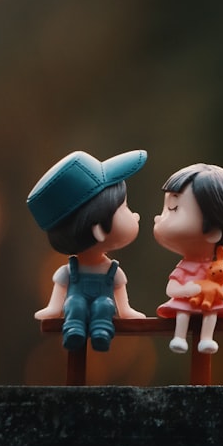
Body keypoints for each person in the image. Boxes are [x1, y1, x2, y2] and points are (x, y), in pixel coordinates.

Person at [27, 150, 147, 351]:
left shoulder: (113, 271)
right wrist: (54, 309)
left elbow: (121, 302)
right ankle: (74, 330)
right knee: (74, 304)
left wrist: (126, 312)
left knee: (105, 306)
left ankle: (102, 330)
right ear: (98, 229)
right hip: (75, 303)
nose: (135, 215)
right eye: (124, 207)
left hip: (104, 303)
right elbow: (59, 299)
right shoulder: (69, 271)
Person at [154, 163, 223, 354]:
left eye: (173, 208)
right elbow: (171, 288)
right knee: (182, 313)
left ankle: (207, 339)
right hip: (186, 301)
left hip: (210, 304)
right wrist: (186, 289)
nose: (159, 219)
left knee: (212, 313)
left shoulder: (219, 268)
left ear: (213, 232)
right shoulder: (185, 267)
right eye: (165, 209)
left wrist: (222, 291)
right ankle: (179, 337)